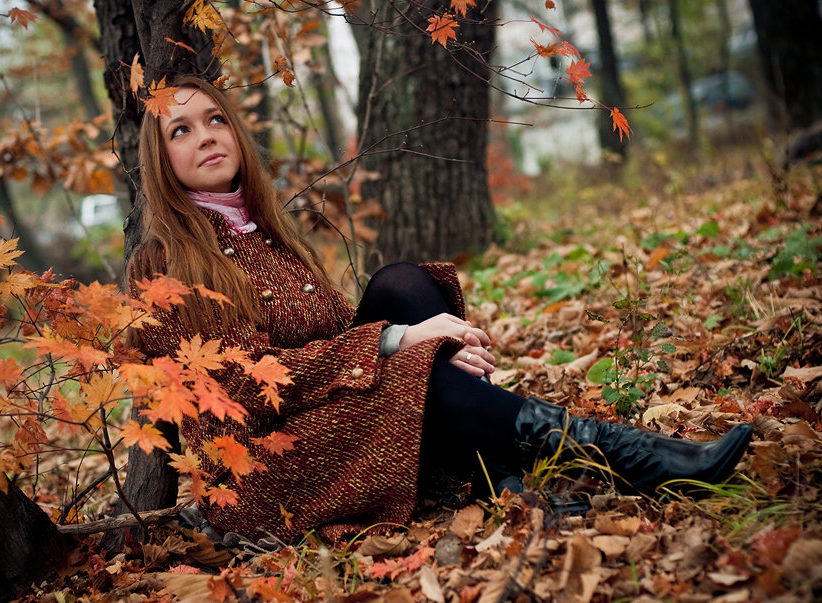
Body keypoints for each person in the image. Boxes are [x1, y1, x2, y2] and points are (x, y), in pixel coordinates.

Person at [128, 75, 753, 543]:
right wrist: (400, 343)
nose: (205, 136)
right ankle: (629, 454)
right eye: (180, 131)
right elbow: (247, 385)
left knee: (400, 283)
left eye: (214, 119)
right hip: (265, 466)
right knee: (409, 349)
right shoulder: (166, 263)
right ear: (162, 160)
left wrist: (410, 337)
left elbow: (332, 329)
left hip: (318, 411)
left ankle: (501, 481)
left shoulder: (265, 230)